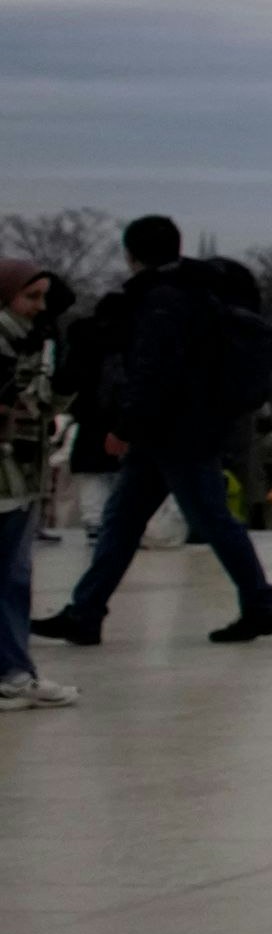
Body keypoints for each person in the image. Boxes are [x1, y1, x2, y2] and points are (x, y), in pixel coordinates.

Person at [34, 216, 272, 646]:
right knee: (124, 521)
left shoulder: (161, 300)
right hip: (181, 428)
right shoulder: (194, 293)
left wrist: (126, 426)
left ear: (131, 254)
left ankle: (263, 605)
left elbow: (154, 372)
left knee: (207, 520)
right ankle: (85, 611)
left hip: (176, 431)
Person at [0, 258, 80, 708]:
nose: (39, 307)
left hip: (20, 473)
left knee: (12, 576)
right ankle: (12, 673)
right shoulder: (11, 340)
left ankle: (14, 671)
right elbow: (29, 404)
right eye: (31, 297)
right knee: (10, 577)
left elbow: (39, 404)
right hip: (9, 474)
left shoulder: (27, 339)